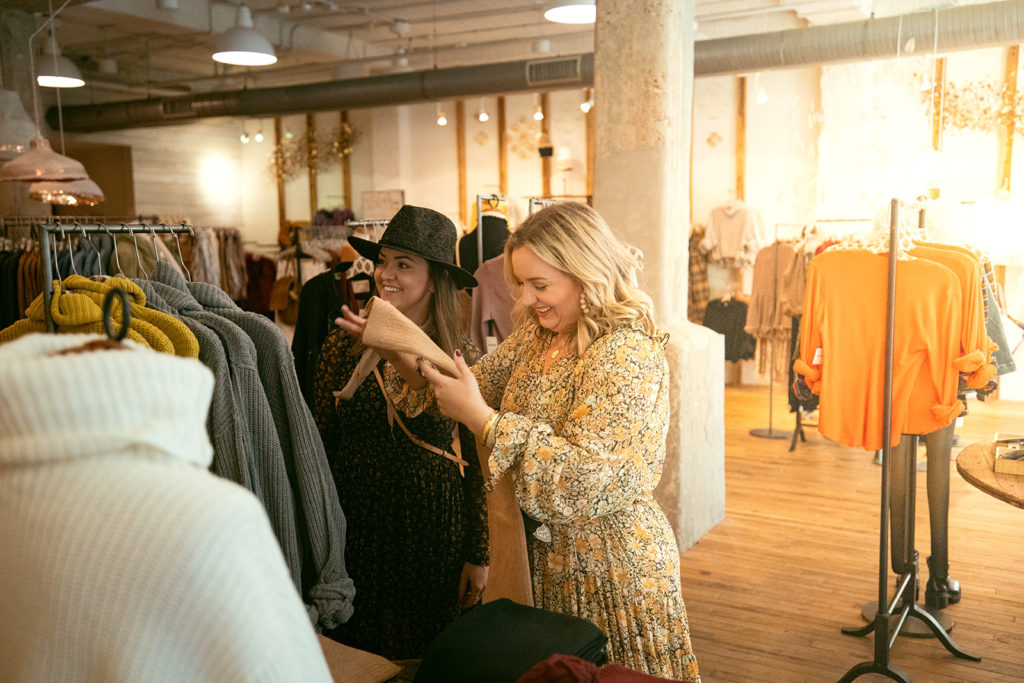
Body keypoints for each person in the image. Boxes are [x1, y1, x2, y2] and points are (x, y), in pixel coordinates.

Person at [415, 202, 701, 680]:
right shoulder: (537, 335)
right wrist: (414, 357)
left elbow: (585, 478)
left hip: (611, 570)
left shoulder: (626, 349)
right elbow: (479, 384)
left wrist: (486, 422)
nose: (525, 300)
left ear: (585, 273)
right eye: (522, 284)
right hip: (546, 564)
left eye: (539, 285)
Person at [313, 205, 489, 660]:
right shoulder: (343, 342)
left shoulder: (459, 354)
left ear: (436, 278)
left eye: (403, 264)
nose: (385, 274)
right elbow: (320, 441)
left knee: (426, 655)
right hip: (358, 526)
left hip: (434, 533)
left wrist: (479, 553)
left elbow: (478, 460)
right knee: (359, 650)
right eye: (383, 261)